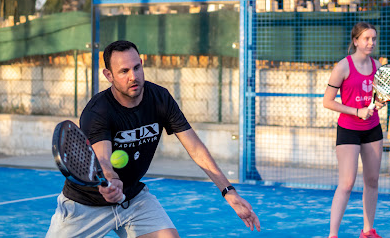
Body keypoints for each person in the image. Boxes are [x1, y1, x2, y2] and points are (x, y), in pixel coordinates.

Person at [46, 40, 261, 238]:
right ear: (108, 75)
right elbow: (103, 160)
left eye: (136, 68)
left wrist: (228, 191)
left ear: (141, 63)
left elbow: (195, 148)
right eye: (123, 71)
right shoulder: (98, 111)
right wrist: (110, 180)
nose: (133, 76)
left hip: (132, 200)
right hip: (85, 204)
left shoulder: (160, 99)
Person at [323, 22, 386, 238]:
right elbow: (328, 102)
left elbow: (377, 98)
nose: (371, 43)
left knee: (372, 181)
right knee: (347, 183)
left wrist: (378, 103)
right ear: (356, 41)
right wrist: (357, 111)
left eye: (374, 39)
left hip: (373, 129)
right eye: (366, 39)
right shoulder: (342, 67)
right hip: (348, 129)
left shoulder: (378, 66)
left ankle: (368, 232)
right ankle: (333, 235)